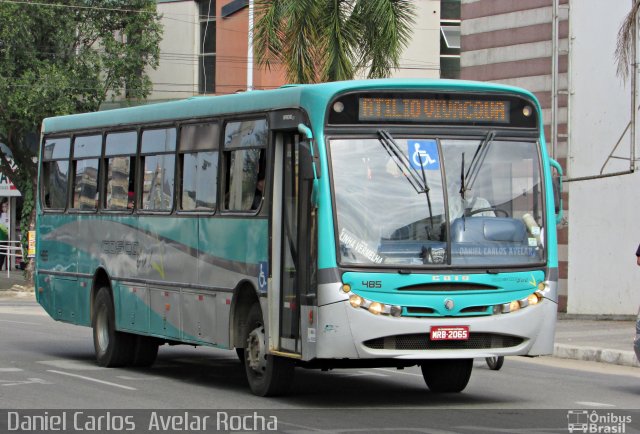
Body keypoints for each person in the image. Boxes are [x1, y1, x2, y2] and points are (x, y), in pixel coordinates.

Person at [0, 201, 8, 271]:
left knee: (3, 253)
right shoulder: (2, 215)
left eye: (6, 206)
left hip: (5, 237)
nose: (5, 208)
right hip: (1, 236)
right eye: (3, 206)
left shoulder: (8, 215)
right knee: (1, 253)